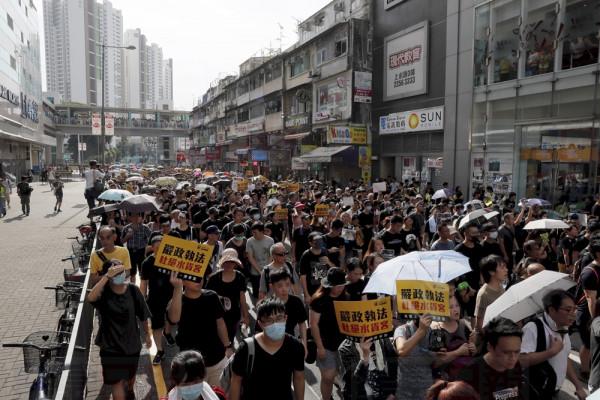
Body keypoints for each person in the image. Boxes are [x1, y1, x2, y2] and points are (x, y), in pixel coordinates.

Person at [87, 258, 152, 400]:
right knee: (116, 384)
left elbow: (143, 315)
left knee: (130, 378)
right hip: (110, 347)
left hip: (132, 344)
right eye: (115, 273)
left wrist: (147, 335)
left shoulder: (133, 291)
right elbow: (91, 298)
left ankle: (130, 389)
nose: (119, 275)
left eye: (120, 271)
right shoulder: (103, 293)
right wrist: (106, 277)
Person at [229, 297, 305, 400]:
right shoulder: (246, 349)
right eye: (269, 320)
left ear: (285, 318)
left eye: (279, 318)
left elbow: (299, 378)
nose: (275, 324)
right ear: (260, 324)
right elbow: (236, 381)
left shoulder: (295, 347)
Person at [167, 272, 234, 387]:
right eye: (193, 277)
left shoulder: (212, 296)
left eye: (200, 276)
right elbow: (173, 319)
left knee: (218, 394)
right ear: (182, 280)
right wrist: (178, 288)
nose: (198, 280)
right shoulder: (177, 301)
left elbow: (220, 323)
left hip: (217, 360)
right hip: (192, 366)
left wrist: (227, 346)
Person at [519, 290, 586, 400]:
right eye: (568, 310)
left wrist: (578, 386)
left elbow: (564, 357)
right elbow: (521, 360)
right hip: (534, 391)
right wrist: (551, 352)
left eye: (575, 309)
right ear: (551, 309)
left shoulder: (563, 326)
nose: (574, 314)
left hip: (553, 389)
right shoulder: (533, 328)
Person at [456, 317, 526, 399]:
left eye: (517, 351)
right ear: (490, 347)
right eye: (506, 352)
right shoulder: (470, 374)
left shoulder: (515, 366)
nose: (513, 358)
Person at [310, 267, 349, 400]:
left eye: (342, 286)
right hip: (325, 343)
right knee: (327, 377)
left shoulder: (346, 297)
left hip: (344, 344)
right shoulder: (318, 300)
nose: (340, 289)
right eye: (337, 286)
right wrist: (319, 347)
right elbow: (313, 324)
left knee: (345, 375)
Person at [140, 235, 175, 365]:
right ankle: (160, 350)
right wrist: (141, 300)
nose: (160, 250)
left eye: (163, 247)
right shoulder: (147, 263)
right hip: (155, 299)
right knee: (156, 325)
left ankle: (168, 333)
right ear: (152, 248)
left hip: (172, 297)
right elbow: (143, 283)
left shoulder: (173, 260)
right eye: (157, 247)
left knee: (171, 319)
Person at [205, 249, 250, 343]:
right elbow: (207, 297)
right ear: (222, 262)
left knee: (230, 338)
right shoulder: (214, 278)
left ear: (235, 263)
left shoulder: (240, 277)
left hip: (234, 314)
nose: (229, 264)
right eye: (226, 262)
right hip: (217, 314)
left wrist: (246, 316)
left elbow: (242, 298)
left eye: (232, 262)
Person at [432, 296, 476, 380]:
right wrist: (458, 352)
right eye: (451, 307)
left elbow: (471, 352)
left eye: (457, 305)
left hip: (468, 376)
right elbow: (436, 362)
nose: (456, 310)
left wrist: (473, 348)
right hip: (449, 381)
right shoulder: (437, 330)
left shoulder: (464, 324)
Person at [393, 313, 436, 400]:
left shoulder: (433, 332)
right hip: (405, 393)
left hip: (426, 392)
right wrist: (421, 331)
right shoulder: (402, 329)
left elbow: (437, 361)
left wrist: (457, 352)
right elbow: (401, 350)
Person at [474, 255, 507, 331]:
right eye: (502, 267)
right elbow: (479, 324)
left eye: (505, 267)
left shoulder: (501, 287)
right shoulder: (483, 294)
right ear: (491, 272)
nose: (506, 270)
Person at [300, 232, 335, 304]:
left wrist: (328, 262)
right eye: (316, 241)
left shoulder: (325, 251)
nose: (319, 242)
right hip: (312, 290)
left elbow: (333, 269)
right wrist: (306, 295)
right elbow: (303, 276)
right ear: (310, 243)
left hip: (325, 288)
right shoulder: (306, 255)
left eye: (320, 240)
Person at [121, 213, 152, 283]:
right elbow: (122, 241)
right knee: (132, 273)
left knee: (142, 273)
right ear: (130, 218)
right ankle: (133, 289)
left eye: (137, 216)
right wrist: (127, 236)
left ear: (139, 217)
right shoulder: (126, 228)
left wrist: (146, 242)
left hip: (141, 252)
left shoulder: (145, 228)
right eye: (133, 216)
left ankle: (142, 289)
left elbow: (151, 238)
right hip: (131, 252)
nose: (135, 218)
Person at [246, 222, 274, 297]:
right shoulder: (249, 241)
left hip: (268, 269)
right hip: (255, 271)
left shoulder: (270, 240)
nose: (253, 234)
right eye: (252, 233)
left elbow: (271, 255)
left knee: (268, 292)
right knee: (256, 293)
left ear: (262, 231)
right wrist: (259, 270)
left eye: (255, 233)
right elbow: (250, 257)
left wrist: (266, 268)